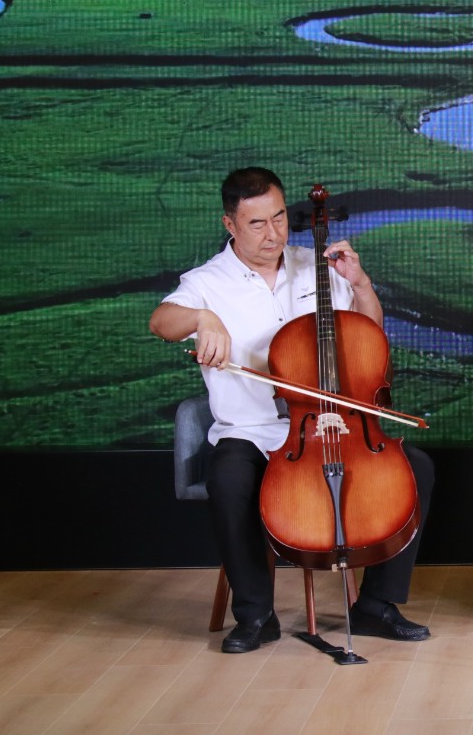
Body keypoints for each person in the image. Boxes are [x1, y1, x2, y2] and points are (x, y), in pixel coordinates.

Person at [149, 167, 435, 653]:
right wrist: (202, 317)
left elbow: (368, 337)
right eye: (257, 223)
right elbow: (161, 322)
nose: (273, 233)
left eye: (279, 217)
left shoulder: (316, 267)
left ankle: (376, 604)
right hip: (251, 430)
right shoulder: (207, 282)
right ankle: (256, 615)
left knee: (417, 468)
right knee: (228, 479)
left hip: (332, 424)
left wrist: (361, 285)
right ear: (230, 224)